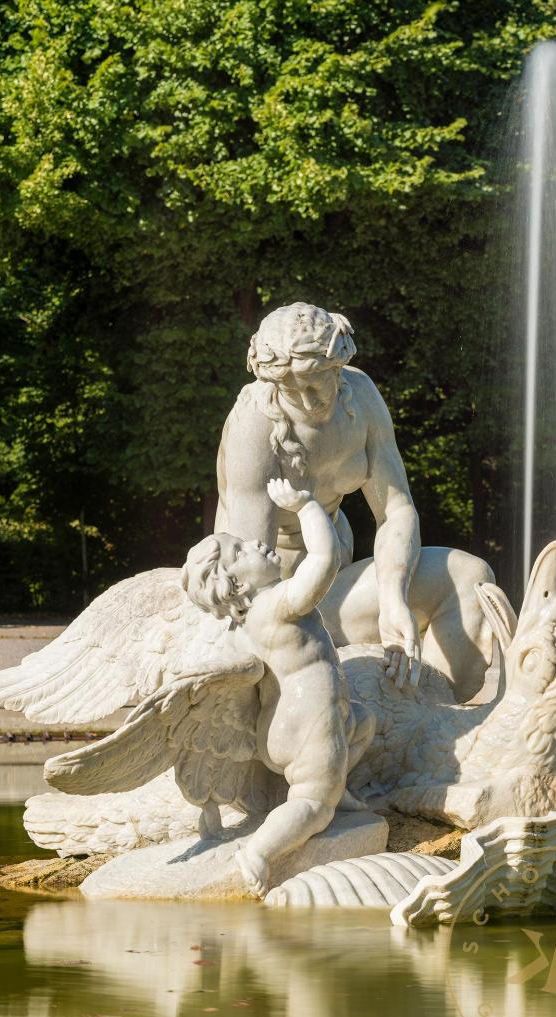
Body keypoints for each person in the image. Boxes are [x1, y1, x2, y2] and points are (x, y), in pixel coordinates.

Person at [185, 478, 374, 897]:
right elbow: (324, 561)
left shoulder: (243, 627)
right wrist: (306, 507)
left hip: (284, 726)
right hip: (307, 719)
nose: (255, 544)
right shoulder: (277, 604)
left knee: (363, 723)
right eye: (241, 551)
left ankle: (336, 790)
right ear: (237, 586)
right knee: (311, 801)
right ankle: (261, 853)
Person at [216, 302, 422, 686]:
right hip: (266, 588)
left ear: (338, 366)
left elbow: (396, 510)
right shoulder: (254, 425)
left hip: (334, 560)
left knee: (467, 576)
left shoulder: (361, 395)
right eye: (293, 391)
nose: (310, 401)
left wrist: (394, 600)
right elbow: (256, 582)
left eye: (317, 382)